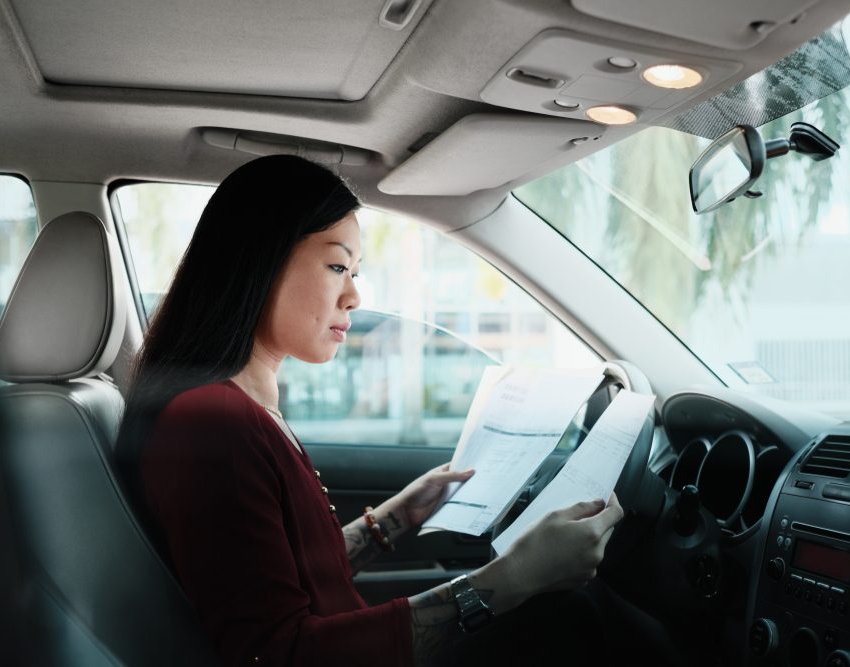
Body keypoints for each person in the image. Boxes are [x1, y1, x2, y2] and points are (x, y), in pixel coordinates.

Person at [116, 155, 625, 666]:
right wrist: (508, 580)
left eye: (355, 272)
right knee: (571, 616)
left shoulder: (240, 408)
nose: (355, 296)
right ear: (260, 259)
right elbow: (279, 653)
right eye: (338, 266)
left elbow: (288, 576)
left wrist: (400, 514)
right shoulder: (214, 422)